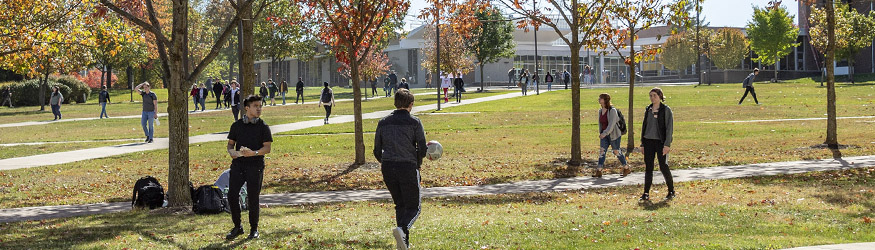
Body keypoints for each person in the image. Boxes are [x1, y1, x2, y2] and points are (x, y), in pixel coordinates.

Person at [373, 88, 427, 250]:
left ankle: (403, 243)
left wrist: (385, 161)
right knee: (414, 207)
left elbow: (377, 150)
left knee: (400, 205)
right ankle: (403, 230)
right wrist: (417, 163)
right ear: (410, 104)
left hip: (388, 168)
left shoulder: (383, 122)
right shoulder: (414, 122)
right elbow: (422, 148)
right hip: (407, 166)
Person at [224, 95, 272, 241]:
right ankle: (237, 226)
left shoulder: (263, 126)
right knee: (232, 195)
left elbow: (267, 148)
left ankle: (254, 229)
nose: (259, 109)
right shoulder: (237, 126)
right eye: (255, 106)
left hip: (255, 165)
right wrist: (231, 152)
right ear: (247, 108)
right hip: (238, 165)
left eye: (260, 106)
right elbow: (230, 144)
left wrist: (254, 153)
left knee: (253, 198)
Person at [639, 87, 675, 201]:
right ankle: (645, 193)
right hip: (648, 141)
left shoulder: (666, 110)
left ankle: (671, 191)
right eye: (650, 96)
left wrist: (667, 144)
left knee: (663, 166)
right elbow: (644, 127)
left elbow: (669, 128)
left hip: (660, 142)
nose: (652, 98)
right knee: (648, 167)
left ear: (660, 96)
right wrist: (642, 143)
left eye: (654, 95)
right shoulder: (648, 109)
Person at [594, 93, 630, 178]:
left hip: (614, 135)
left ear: (605, 100)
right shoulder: (600, 110)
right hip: (604, 134)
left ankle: (626, 167)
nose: (599, 99)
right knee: (602, 152)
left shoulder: (612, 110)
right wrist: (602, 133)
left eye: (600, 98)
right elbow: (600, 123)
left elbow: (612, 124)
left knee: (616, 151)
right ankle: (599, 170)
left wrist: (605, 133)